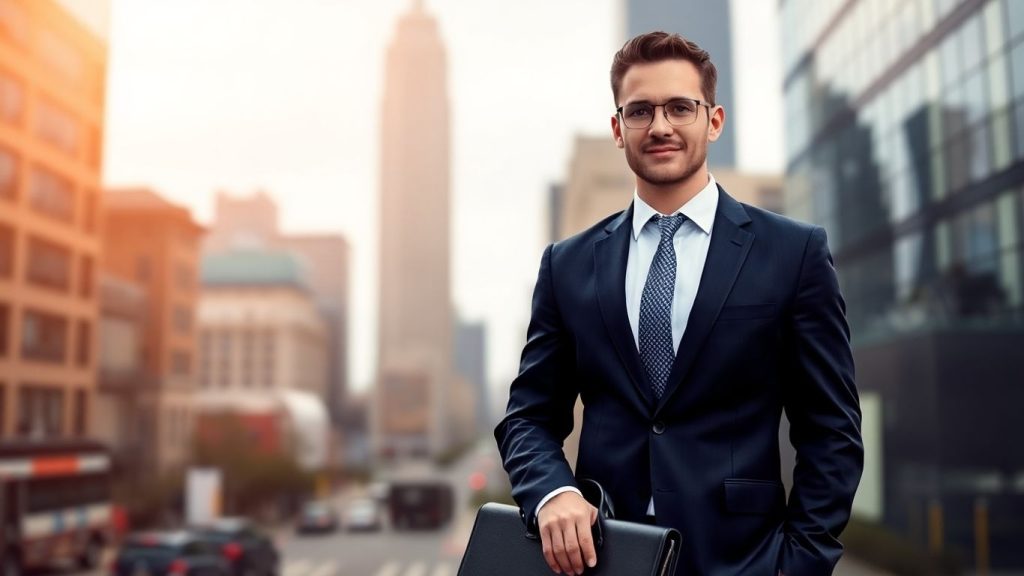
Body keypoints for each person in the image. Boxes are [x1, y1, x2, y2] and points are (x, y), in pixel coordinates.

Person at [495, 31, 862, 576]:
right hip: (602, 560)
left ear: (713, 120)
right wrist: (551, 493)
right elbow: (528, 417)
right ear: (619, 130)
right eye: (640, 110)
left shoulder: (793, 253)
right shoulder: (567, 265)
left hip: (745, 562)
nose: (660, 126)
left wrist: (798, 564)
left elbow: (831, 430)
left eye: (679, 108)